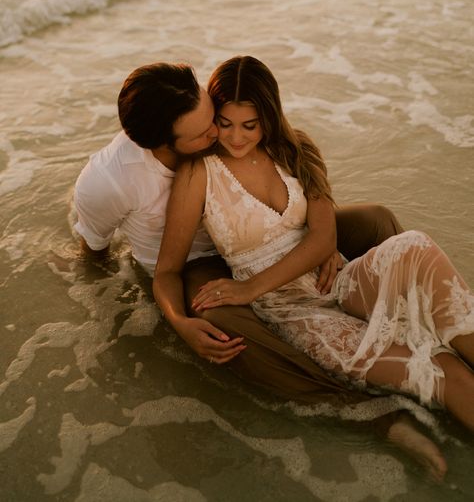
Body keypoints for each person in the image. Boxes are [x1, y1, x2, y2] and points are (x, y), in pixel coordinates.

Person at [74, 61, 447, 480]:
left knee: (377, 219)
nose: (218, 133)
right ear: (166, 142)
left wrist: (320, 236)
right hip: (202, 262)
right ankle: (369, 411)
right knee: (220, 322)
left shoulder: (194, 99)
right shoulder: (108, 181)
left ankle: (422, 328)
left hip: (270, 235)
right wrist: (175, 321)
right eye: (207, 131)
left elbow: (264, 133)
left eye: (212, 115)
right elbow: (94, 249)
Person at [154, 56, 474, 460]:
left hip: (339, 280)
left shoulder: (295, 148)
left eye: (249, 125)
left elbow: (323, 237)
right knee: (446, 371)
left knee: (417, 247)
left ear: (269, 117)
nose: (235, 137)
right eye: (225, 122)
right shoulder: (199, 172)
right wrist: (181, 324)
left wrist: (248, 286)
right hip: (293, 310)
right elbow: (166, 270)